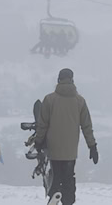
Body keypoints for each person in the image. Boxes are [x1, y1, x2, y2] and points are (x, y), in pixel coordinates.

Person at [34, 68, 98, 205]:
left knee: (56, 175)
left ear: (58, 80)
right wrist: (92, 146)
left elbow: (42, 125)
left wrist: (38, 142)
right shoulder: (80, 101)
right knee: (69, 176)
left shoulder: (49, 99)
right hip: (70, 150)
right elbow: (87, 126)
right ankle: (68, 200)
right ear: (72, 80)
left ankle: (54, 195)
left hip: (54, 148)